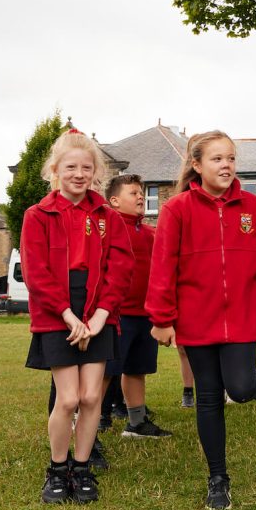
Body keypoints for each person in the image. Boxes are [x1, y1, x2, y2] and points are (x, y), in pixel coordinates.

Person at [146, 130, 256, 510]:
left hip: (242, 317)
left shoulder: (252, 208)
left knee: (239, 385)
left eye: (231, 158)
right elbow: (162, 266)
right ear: (197, 165)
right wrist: (161, 317)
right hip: (196, 321)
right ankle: (218, 478)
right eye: (217, 159)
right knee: (209, 398)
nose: (227, 165)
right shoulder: (177, 209)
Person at [23, 129, 134, 504]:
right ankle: (57, 470)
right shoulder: (37, 215)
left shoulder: (108, 216)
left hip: (99, 309)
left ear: (96, 172)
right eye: (71, 166)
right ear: (55, 170)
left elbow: (121, 268)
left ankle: (82, 470)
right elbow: (37, 273)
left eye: (87, 167)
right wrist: (69, 317)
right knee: (68, 398)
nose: (79, 174)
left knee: (91, 397)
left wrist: (101, 316)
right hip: (58, 312)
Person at [103, 174, 171, 439]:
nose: (141, 196)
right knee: (106, 372)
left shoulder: (151, 233)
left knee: (137, 369)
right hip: (117, 314)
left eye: (142, 192)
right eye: (133, 193)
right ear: (115, 201)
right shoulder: (107, 228)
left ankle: (136, 423)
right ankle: (94, 420)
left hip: (146, 314)